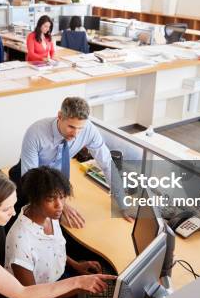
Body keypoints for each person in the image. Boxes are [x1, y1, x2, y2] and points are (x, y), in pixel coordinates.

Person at [11, 97, 132, 227]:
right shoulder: (36, 133)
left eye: (80, 128)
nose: (76, 134)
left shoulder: (88, 130)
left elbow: (107, 164)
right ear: (60, 116)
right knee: (23, 221)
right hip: (30, 178)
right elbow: (32, 180)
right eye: (71, 127)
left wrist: (122, 203)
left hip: (56, 178)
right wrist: (61, 205)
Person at [5, 167, 102, 298]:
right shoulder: (21, 240)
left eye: (62, 197)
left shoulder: (50, 216)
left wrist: (76, 265)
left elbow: (54, 249)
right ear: (34, 199)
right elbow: (28, 295)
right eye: (51, 199)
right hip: (33, 297)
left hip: (55, 279)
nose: (60, 205)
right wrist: (73, 288)